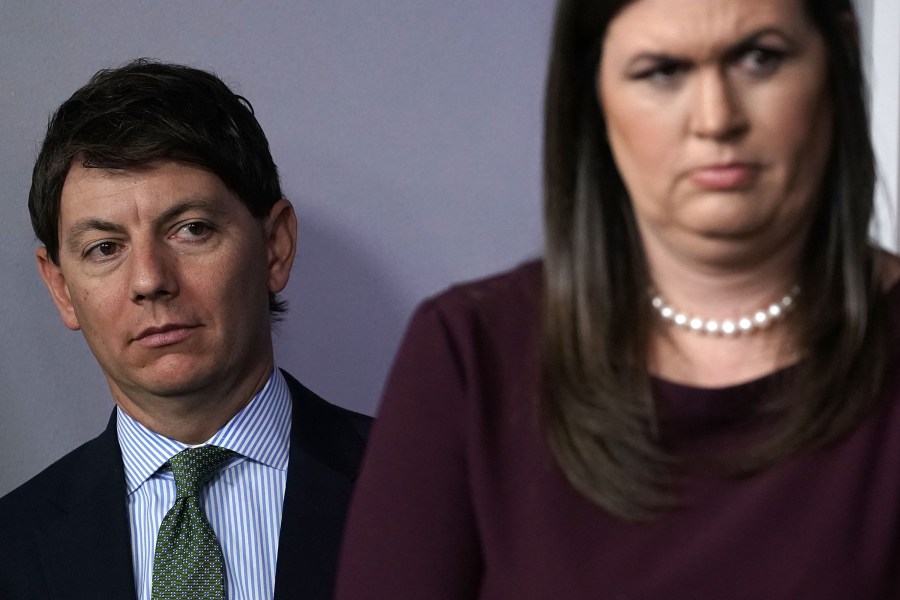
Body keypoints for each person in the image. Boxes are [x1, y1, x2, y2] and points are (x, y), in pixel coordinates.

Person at [335, 0, 900, 597]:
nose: (715, 118)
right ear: (595, 99)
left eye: (760, 58)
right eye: (662, 71)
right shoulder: (470, 352)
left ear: (833, 67)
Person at [0, 59, 371, 600]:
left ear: (275, 247)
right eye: (105, 248)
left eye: (191, 230)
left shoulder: (430, 492)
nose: (150, 280)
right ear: (60, 287)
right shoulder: (11, 545)